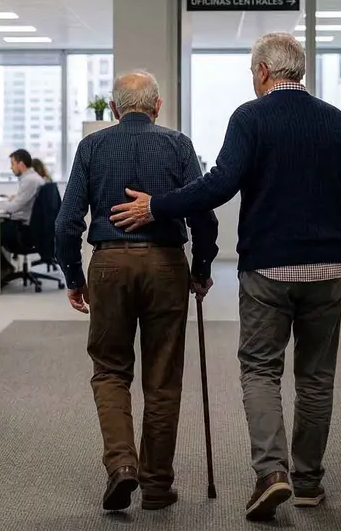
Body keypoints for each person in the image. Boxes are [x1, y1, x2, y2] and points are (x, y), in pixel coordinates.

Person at [110, 32, 341, 521]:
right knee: (316, 377)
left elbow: (220, 184)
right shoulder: (336, 121)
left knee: (261, 370)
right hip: (328, 270)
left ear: (262, 72)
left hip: (268, 270)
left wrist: (158, 206)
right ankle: (310, 483)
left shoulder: (250, 117)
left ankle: (272, 474)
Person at [55, 70, 219, 513]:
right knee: (163, 377)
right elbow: (203, 214)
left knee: (110, 371)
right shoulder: (178, 145)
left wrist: (74, 277)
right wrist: (201, 267)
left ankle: (122, 465)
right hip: (166, 266)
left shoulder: (92, 147)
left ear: (113, 109)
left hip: (109, 266)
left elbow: (67, 221)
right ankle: (158, 486)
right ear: (157, 106)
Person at [0, 149, 45, 284]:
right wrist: (10, 200)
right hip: (26, 226)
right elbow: (20, 202)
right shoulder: (32, 178)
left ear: (21, 164)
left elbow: (15, 207)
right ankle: (4, 267)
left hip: (23, 230)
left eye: (12, 164)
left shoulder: (30, 180)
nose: (11, 167)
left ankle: (4, 267)